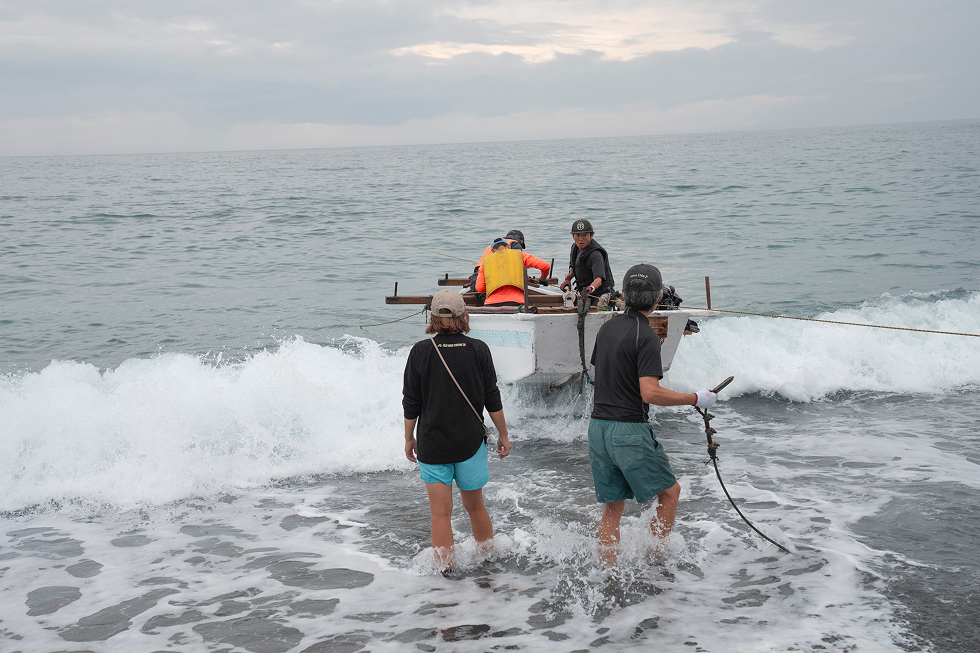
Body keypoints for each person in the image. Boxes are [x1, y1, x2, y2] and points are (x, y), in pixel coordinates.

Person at [588, 264, 718, 568]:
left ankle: (608, 573)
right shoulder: (645, 335)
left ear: (623, 295)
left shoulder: (606, 328)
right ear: (659, 298)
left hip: (598, 429)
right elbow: (650, 393)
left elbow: (599, 375)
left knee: (612, 507)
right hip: (628, 431)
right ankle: (654, 565)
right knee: (670, 493)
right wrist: (695, 398)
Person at [402, 289, 512, 571]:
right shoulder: (479, 349)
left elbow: (411, 402)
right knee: (475, 507)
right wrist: (503, 434)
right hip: (470, 443)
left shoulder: (420, 351)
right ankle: (489, 563)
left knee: (440, 515)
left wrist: (408, 438)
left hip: (433, 444)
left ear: (432, 317)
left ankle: (446, 575)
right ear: (464, 315)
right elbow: (492, 398)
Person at [474, 237, 551, 306]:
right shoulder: (520, 255)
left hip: (492, 303)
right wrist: (542, 279)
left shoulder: (485, 262)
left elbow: (479, 288)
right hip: (516, 302)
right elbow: (545, 266)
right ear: (508, 246)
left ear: (492, 251)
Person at [559, 219, 614, 304]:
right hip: (583, 293)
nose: (581, 239)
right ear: (573, 236)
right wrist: (568, 279)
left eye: (584, 235)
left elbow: (598, 280)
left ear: (591, 236)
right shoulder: (575, 248)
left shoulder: (596, 255)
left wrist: (590, 289)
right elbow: (574, 267)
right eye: (577, 235)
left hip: (599, 294)